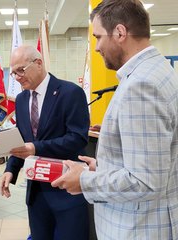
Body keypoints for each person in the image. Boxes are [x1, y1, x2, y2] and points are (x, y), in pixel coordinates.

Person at [51, 0, 178, 239]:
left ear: (120, 32)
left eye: (98, 37)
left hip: (137, 227)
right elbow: (158, 162)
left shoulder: (141, 85)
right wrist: (102, 168)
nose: (97, 47)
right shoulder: (159, 70)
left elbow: (145, 181)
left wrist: (86, 181)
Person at [0, 45, 90, 240]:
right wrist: (11, 169)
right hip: (36, 193)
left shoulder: (70, 92)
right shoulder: (22, 99)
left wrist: (36, 148)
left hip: (67, 190)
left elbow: (78, 137)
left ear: (38, 63)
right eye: (13, 73)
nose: (17, 77)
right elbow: (23, 139)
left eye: (20, 70)